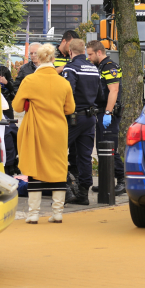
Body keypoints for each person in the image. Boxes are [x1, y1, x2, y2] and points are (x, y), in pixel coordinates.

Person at [12, 44, 75, 224]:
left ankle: (33, 214)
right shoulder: (63, 82)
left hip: (35, 129)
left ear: (38, 59)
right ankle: (57, 212)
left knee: (35, 168)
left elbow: (16, 106)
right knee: (58, 168)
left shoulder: (30, 81)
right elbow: (70, 108)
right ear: (53, 59)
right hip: (58, 130)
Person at [62, 38, 102, 205]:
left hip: (73, 117)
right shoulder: (93, 68)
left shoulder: (70, 68)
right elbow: (101, 96)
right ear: (84, 51)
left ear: (70, 52)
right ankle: (83, 194)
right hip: (90, 117)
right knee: (85, 156)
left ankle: (64, 190)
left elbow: (67, 92)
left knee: (57, 152)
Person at [86, 40, 125, 195]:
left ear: (99, 52)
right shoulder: (100, 66)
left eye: (90, 54)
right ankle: (105, 182)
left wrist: (108, 113)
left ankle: (121, 180)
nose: (88, 57)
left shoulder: (109, 67)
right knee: (102, 148)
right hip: (101, 111)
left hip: (109, 113)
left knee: (110, 148)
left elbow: (113, 91)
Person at [0, 49, 15, 119]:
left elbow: (13, 87)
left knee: (9, 123)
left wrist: (6, 82)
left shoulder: (4, 70)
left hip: (5, 99)